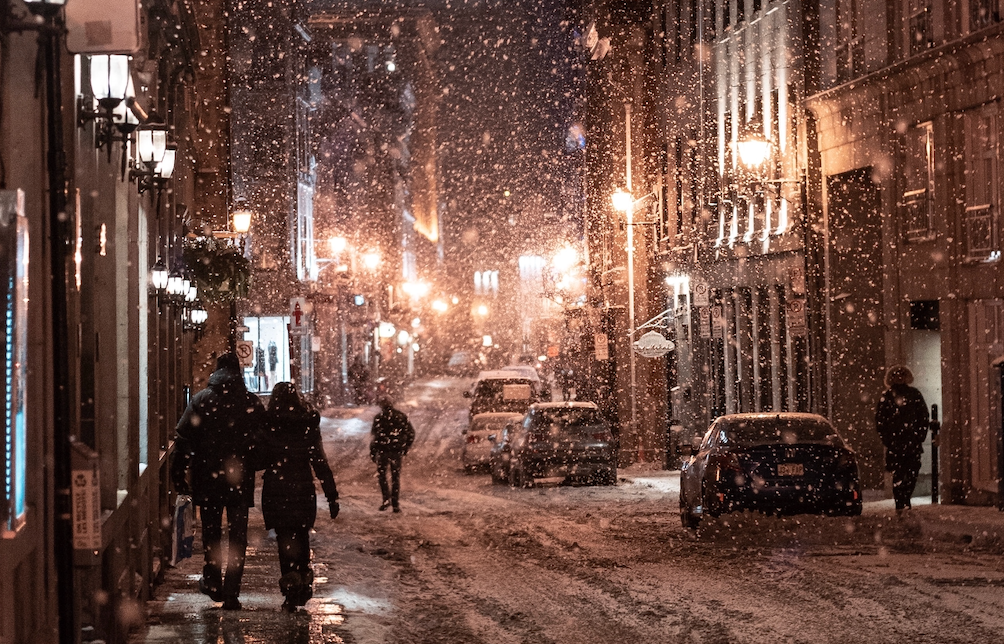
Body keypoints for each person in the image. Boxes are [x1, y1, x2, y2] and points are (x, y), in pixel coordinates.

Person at [171, 353, 266, 610]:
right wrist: (252, 464)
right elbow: (263, 441)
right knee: (238, 536)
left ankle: (213, 582)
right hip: (239, 480)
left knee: (211, 532)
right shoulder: (250, 402)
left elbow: (183, 437)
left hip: (208, 478)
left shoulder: (202, 400)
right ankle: (232, 591)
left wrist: (179, 473)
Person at [260, 382, 340, 612]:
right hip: (302, 489)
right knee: (302, 538)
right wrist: (332, 496)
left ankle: (291, 589)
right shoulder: (307, 424)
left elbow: (260, 457)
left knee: (285, 540)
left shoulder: (270, 424)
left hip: (277, 489)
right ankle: (303, 583)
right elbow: (319, 462)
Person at [875, 365, 929, 511]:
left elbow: (923, 417)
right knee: (899, 475)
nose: (899, 378)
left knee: (911, 474)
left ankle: (904, 500)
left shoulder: (914, 395)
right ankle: (901, 502)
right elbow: (881, 421)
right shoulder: (887, 397)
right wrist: (889, 441)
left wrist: (919, 437)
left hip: (911, 443)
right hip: (897, 445)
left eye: (902, 375)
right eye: (896, 375)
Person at [369, 398, 415, 512]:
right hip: (395, 451)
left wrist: (373, 451)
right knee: (395, 477)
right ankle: (395, 503)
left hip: (383, 450)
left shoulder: (379, 418)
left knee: (382, 476)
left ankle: (386, 499)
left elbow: (375, 437)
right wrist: (405, 446)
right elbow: (410, 432)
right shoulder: (400, 416)